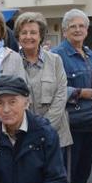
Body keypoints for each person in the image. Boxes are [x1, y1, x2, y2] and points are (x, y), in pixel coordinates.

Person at [51, 9, 92, 183]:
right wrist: (81, 92)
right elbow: (56, 87)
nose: (78, 30)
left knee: (83, 172)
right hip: (71, 123)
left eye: (82, 26)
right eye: (73, 26)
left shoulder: (91, 56)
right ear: (64, 31)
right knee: (67, 175)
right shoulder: (57, 55)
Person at [15, 12, 72, 149]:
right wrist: (28, 130)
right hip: (23, 136)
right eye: (24, 33)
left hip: (55, 134)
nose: (28, 37)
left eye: (33, 32)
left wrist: (43, 129)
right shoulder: (11, 61)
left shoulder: (55, 60)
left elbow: (60, 96)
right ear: (18, 36)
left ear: (40, 36)